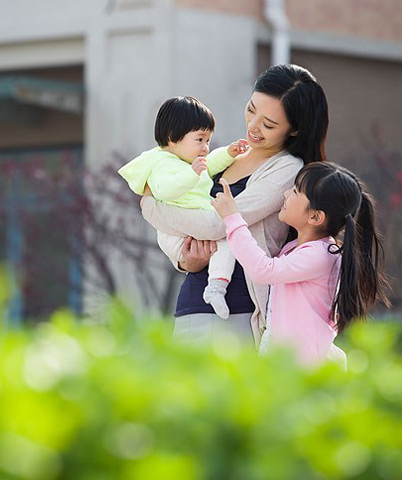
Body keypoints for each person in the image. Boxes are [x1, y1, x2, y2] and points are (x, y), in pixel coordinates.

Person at [140, 64, 329, 345]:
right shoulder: (224, 156)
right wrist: (183, 260)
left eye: (268, 124)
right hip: (193, 299)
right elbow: (186, 212)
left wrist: (148, 206)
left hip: (239, 309)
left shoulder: (287, 170)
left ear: (294, 130)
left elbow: (219, 223)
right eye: (251, 109)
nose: (253, 126)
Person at [212, 162, 389, 366]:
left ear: (315, 216)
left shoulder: (320, 255)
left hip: (303, 364)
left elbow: (263, 270)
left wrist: (232, 218)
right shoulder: (299, 249)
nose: (286, 193)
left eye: (296, 191)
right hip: (287, 360)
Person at [118, 96, 249, 318]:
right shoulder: (162, 164)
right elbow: (166, 190)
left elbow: (211, 164)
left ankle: (216, 287)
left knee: (225, 243)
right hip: (178, 236)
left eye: (208, 140)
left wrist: (229, 153)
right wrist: (192, 174)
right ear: (173, 137)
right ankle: (216, 287)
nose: (206, 148)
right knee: (227, 234)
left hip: (191, 225)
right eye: (200, 139)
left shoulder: (188, 162)